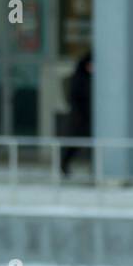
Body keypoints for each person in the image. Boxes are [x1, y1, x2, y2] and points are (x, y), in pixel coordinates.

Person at [60, 48, 93, 177]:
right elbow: (75, 97)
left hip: (89, 117)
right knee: (74, 142)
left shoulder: (91, 78)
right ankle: (64, 164)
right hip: (80, 117)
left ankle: (95, 167)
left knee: (94, 144)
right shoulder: (80, 78)